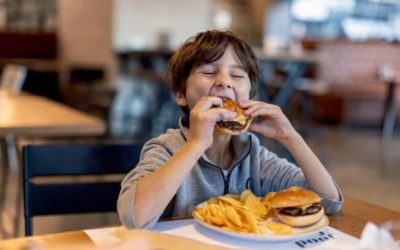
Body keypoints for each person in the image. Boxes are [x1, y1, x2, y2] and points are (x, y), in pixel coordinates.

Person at [117, 30, 343, 229]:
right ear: (179, 93)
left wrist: (291, 138)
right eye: (208, 72)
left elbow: (328, 201)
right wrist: (195, 145)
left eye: (236, 75)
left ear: (250, 96)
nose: (225, 82)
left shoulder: (255, 157)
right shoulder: (165, 149)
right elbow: (133, 218)